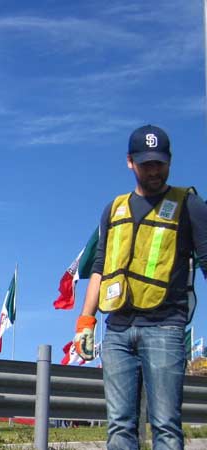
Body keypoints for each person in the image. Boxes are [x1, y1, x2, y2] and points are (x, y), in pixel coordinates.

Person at [74, 124, 207, 450]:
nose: (153, 170)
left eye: (159, 162)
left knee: (165, 426)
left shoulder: (188, 204)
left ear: (170, 161)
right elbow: (99, 267)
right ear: (130, 162)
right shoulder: (114, 209)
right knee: (119, 428)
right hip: (117, 330)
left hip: (165, 327)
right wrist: (85, 320)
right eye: (146, 163)